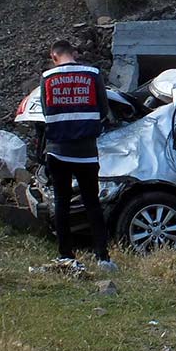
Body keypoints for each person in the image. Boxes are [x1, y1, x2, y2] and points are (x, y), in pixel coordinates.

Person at [39, 40, 117, 273]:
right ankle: (102, 257)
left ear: (54, 56)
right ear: (74, 53)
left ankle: (65, 255)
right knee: (92, 203)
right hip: (85, 152)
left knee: (61, 202)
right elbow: (103, 109)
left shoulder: (47, 77)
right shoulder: (92, 74)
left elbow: (45, 111)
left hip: (58, 150)